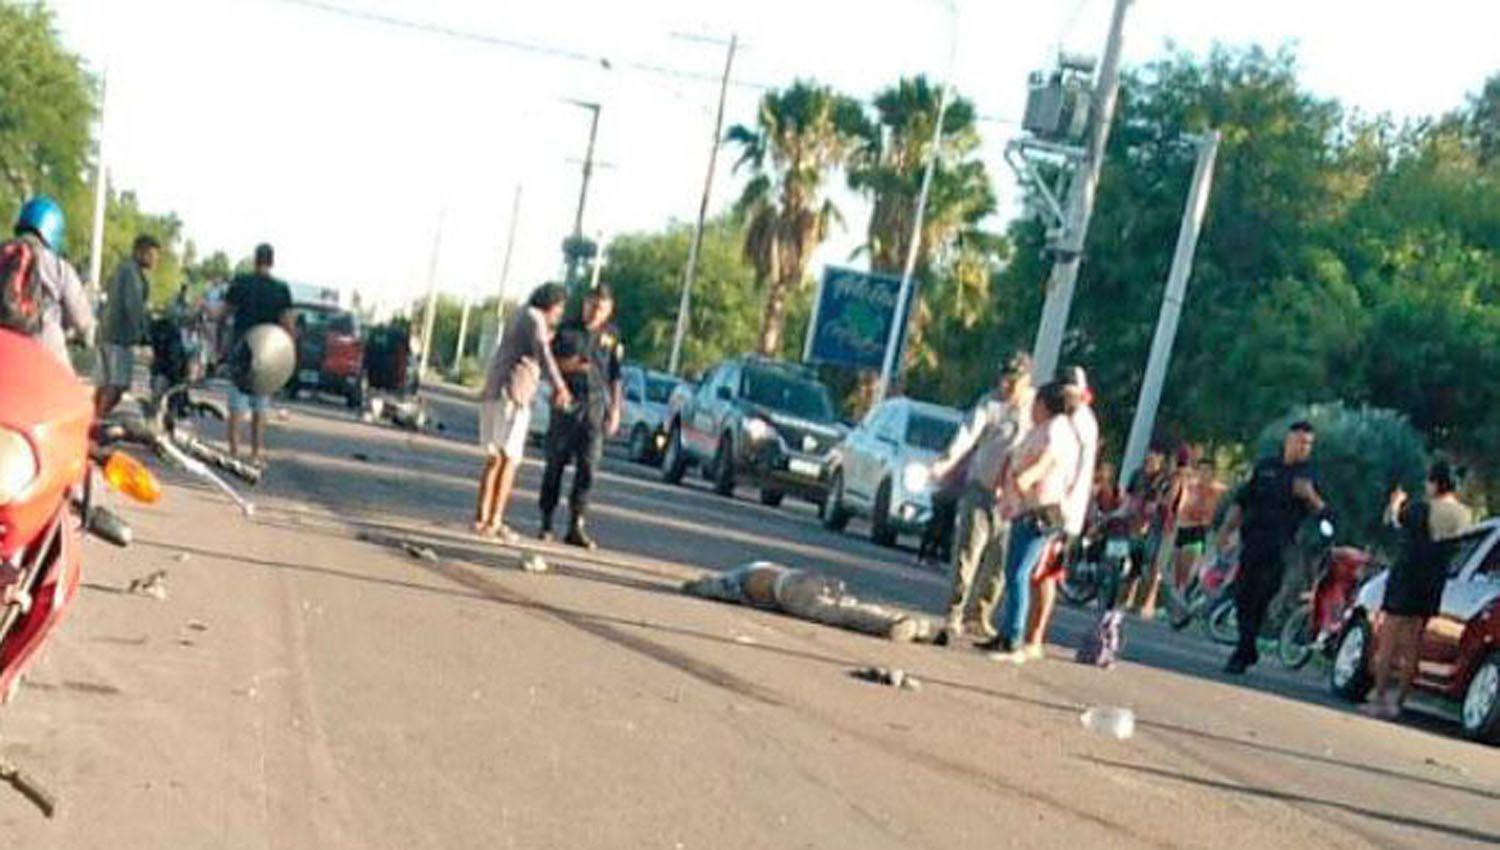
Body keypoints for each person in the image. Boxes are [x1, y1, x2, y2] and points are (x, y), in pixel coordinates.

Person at [928, 352, 1034, 646]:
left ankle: (979, 614)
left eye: (1014, 379)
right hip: (981, 488)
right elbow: (967, 435)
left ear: (1027, 379)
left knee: (999, 561)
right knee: (967, 552)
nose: (1007, 385)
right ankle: (954, 613)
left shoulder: (1035, 408)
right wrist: (945, 463)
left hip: (1013, 497)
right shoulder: (990, 403)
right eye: (1004, 378)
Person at [1215, 421, 1327, 674]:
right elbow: (1243, 500)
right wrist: (1226, 529)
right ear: (1288, 441)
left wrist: (1310, 496)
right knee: (1243, 594)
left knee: (1262, 596)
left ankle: (1243, 652)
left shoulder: (1310, 475)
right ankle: (1247, 647)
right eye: (1300, 441)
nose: (1303, 448)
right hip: (1253, 540)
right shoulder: (1266, 467)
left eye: (1308, 444)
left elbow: (1324, 512)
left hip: (1282, 547)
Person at [984, 380, 1081, 663]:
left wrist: (1025, 480)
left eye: (1035, 404)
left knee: (1018, 573)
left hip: (1039, 511)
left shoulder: (1056, 431)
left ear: (1043, 405)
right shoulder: (1046, 429)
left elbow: (1047, 462)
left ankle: (1015, 637)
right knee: (1014, 570)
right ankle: (1006, 633)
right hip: (1025, 507)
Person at [1366, 462, 1472, 718]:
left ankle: (1379, 697)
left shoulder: (1422, 509)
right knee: (1414, 642)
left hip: (1406, 577)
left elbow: (1396, 520)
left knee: (1389, 639)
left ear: (1434, 484)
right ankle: (1399, 700)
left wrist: (1396, 501)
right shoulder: (1463, 515)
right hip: (1432, 582)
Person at [474, 283, 572, 542]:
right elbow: (542, 351)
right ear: (551, 304)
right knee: (508, 459)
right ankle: (494, 520)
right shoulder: (534, 317)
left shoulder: (520, 314)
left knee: (493, 457)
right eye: (559, 309)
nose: (558, 315)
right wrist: (560, 385)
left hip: (495, 391)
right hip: (514, 394)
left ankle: (482, 518)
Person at [538, 285, 624, 549]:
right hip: (566, 404)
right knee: (556, 464)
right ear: (585, 304)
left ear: (608, 311)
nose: (595, 312)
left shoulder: (612, 336)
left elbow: (615, 375)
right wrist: (571, 366)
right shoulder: (566, 330)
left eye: (601, 308)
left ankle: (577, 524)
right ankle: (547, 521)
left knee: (588, 468)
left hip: (594, 407)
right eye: (592, 305)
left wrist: (615, 409)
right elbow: (547, 363)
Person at [1022, 366, 1098, 659]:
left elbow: (1071, 469)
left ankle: (1035, 637)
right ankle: (1030, 634)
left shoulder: (1078, 421)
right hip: (1061, 507)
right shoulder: (1075, 419)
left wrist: (1062, 504)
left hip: (1062, 509)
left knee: (1044, 573)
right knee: (1040, 573)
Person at [221, 243, 294, 464]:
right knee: (261, 403)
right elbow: (287, 323)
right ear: (271, 262)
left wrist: (222, 342)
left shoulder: (241, 283)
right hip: (268, 351)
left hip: (242, 346)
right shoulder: (281, 289)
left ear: (255, 260)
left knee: (237, 402)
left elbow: (225, 313)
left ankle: (233, 449)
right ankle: (255, 451)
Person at [5, 195, 94, 369]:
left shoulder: (4, 253)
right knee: (69, 395)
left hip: (4, 349)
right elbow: (82, 320)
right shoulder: (60, 268)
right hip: (45, 353)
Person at [95, 234, 160, 416]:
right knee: (117, 385)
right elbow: (133, 307)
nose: (155, 259)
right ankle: (97, 422)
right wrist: (144, 334)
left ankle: (93, 419)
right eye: (151, 254)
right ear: (140, 252)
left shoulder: (123, 269)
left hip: (108, 333)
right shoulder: (131, 273)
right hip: (119, 337)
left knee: (106, 384)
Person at [1116, 447, 1172, 613]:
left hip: (1154, 525)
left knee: (1149, 562)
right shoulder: (1137, 474)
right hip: (1133, 520)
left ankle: (1146, 602)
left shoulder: (1163, 480)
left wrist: (1147, 518)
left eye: (1155, 456)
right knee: (1133, 560)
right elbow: (1128, 496)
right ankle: (1126, 598)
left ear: (1161, 459)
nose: (1150, 459)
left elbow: (1158, 504)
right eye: (1149, 455)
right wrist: (1122, 513)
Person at [1170, 457, 1226, 597]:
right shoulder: (1190, 486)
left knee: (1190, 565)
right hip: (1184, 527)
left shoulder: (1219, 491)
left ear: (1213, 473)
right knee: (1178, 566)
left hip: (1201, 530)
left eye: (1207, 471)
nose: (1203, 474)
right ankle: (1177, 596)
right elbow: (1181, 505)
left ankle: (1184, 594)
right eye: (1201, 470)